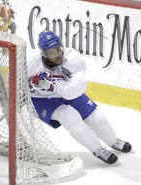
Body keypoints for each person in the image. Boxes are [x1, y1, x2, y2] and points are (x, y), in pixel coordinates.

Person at [27, 30, 132, 164]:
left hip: (66, 91)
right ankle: (98, 149)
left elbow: (74, 91)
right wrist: (30, 84)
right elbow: (12, 81)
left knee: (96, 117)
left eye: (58, 50)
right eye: (51, 53)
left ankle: (113, 141)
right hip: (39, 98)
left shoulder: (73, 59)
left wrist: (53, 85)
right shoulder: (31, 62)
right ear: (43, 54)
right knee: (69, 116)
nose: (57, 55)